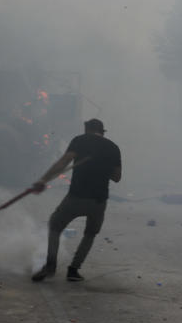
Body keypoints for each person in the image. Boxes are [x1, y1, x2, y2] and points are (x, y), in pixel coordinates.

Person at [30, 118, 122, 282]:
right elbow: (117, 177)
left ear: (87, 130)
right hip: (98, 201)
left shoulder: (80, 141)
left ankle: (50, 266)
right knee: (90, 234)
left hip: (76, 197)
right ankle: (73, 270)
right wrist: (103, 166)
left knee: (55, 226)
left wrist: (43, 180)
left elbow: (63, 162)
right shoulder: (113, 148)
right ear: (102, 131)